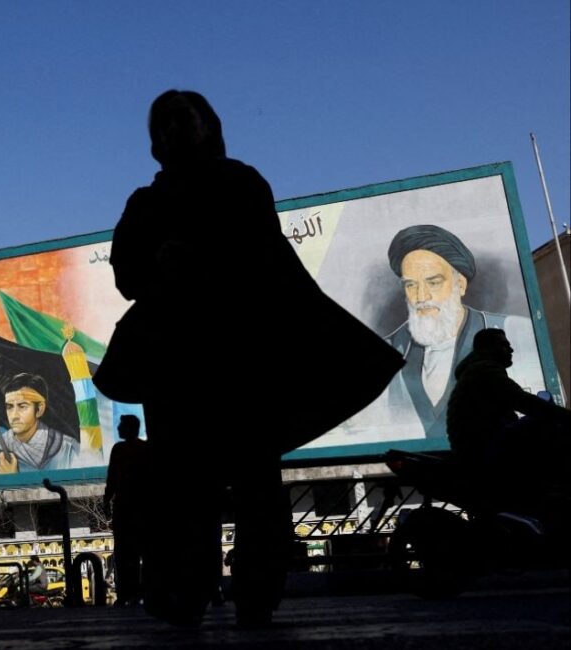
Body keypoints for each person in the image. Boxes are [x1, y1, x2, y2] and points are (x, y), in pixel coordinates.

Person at [103, 90, 401, 628]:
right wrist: (159, 266)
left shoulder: (240, 182)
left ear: (210, 126)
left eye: (183, 119)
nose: (173, 130)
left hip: (244, 359)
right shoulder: (143, 205)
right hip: (175, 364)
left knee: (255, 480)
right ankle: (187, 593)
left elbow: (266, 260)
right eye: (163, 123)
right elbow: (126, 274)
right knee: (185, 488)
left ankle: (257, 592)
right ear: (154, 142)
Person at [382, 224, 541, 439]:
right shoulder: (385, 352)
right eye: (411, 285)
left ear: (461, 284)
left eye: (434, 282)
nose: (421, 296)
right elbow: (527, 403)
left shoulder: (520, 332)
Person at [446, 328, 570, 480]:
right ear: (487, 348)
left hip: (476, 453)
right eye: (504, 345)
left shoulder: (474, 370)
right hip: (484, 454)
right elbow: (524, 401)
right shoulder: (483, 371)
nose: (511, 349)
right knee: (545, 423)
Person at [0, 373, 80, 473]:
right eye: (9, 407)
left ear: (40, 409)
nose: (14, 416)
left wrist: (12, 480)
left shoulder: (68, 449)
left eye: (22, 406)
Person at [103, 414, 148, 606]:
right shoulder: (145, 449)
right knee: (143, 552)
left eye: (121, 425)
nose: (118, 428)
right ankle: (143, 593)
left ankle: (126, 594)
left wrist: (106, 500)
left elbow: (112, 478)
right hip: (143, 508)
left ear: (129, 428)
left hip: (126, 508)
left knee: (124, 554)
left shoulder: (119, 450)